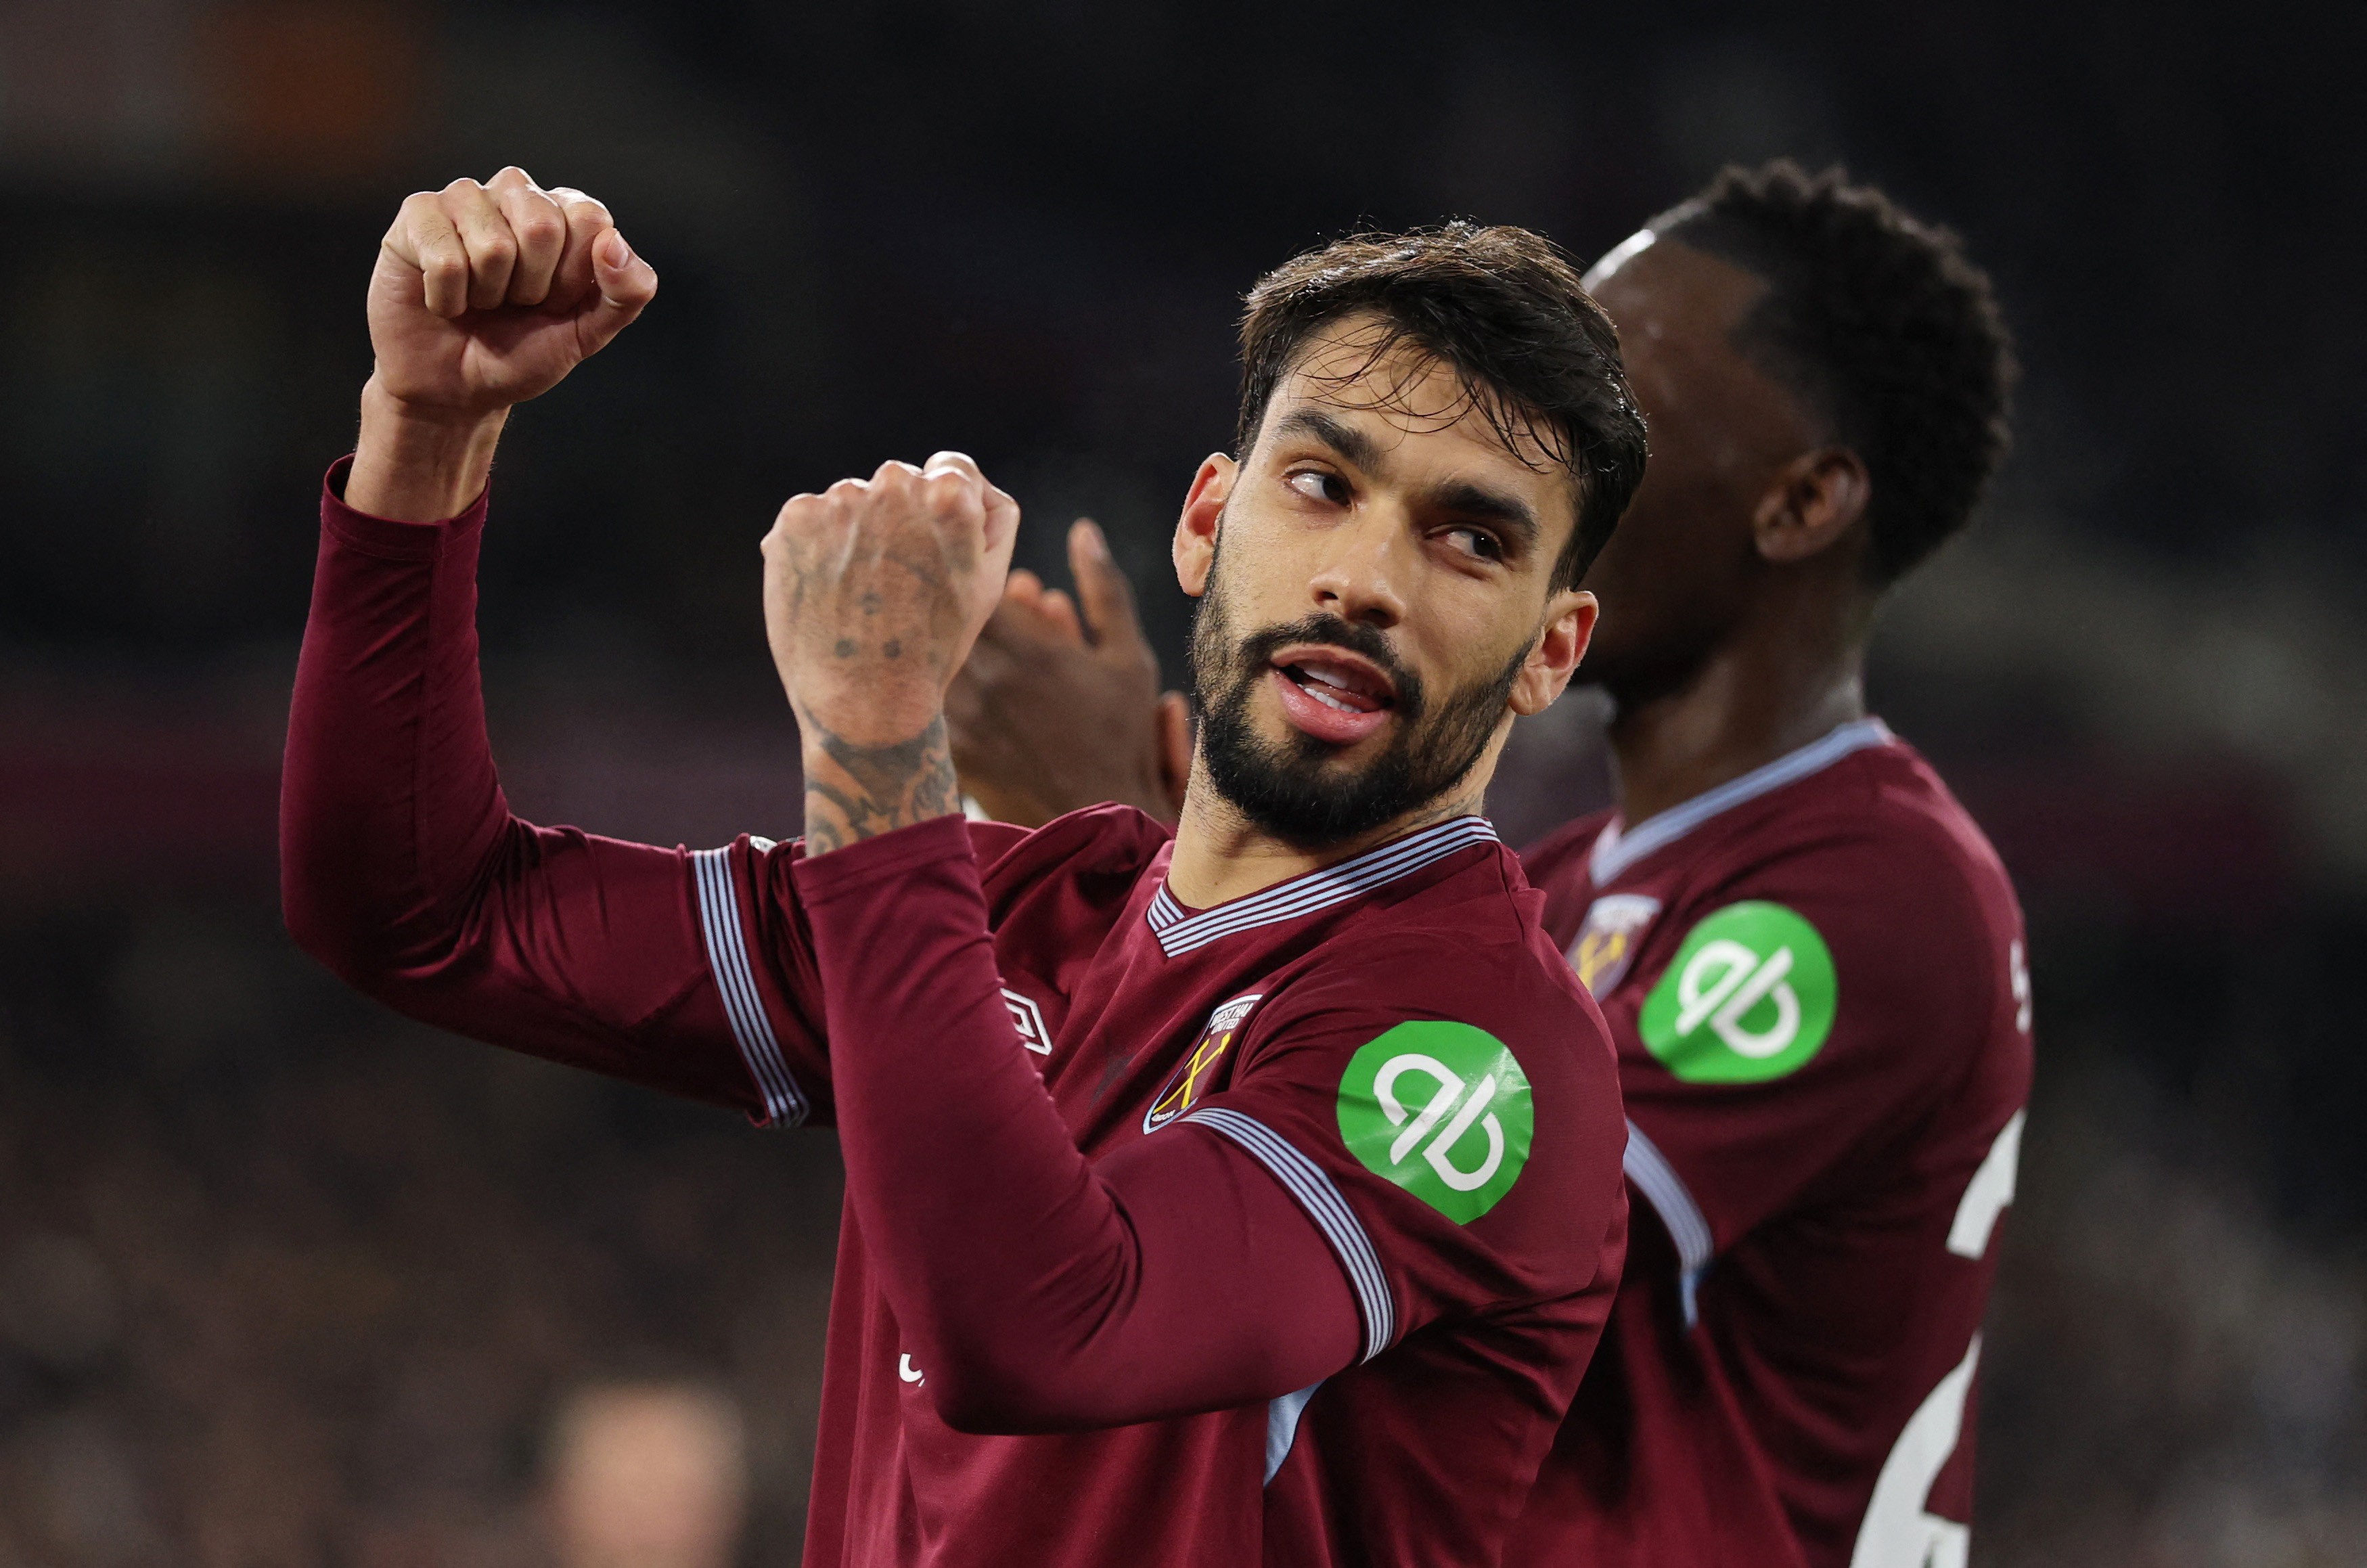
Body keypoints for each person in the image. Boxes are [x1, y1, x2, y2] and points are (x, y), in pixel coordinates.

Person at [281, 168, 1647, 1567]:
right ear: (1203, 523)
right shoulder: (1014, 910)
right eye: (1323, 483)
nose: (1366, 576)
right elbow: (420, 908)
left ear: (1553, 648)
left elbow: (1049, 1332)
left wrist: (879, 737)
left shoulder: (1487, 1053)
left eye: (1471, 539)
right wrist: (425, 439)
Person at [944, 161, 2031, 1568]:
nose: (1535, 439)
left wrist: (1087, 825)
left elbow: (1436, 1235)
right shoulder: (1566, 890)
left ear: (1801, 500)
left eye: (1619, 397)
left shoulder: (1875, 889)